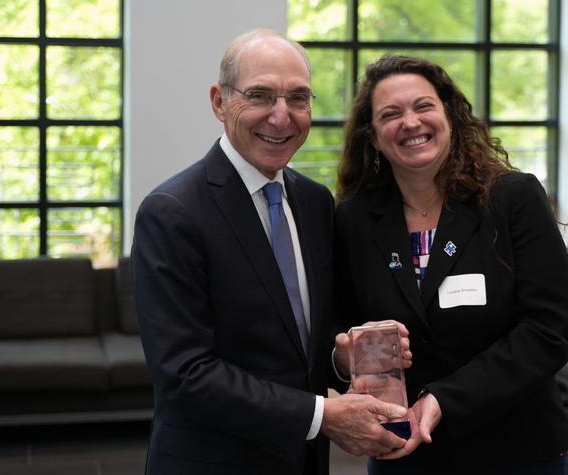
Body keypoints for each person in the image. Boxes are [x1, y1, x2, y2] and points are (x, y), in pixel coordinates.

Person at [131, 30, 409, 475]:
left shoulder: (315, 202)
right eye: (260, 96)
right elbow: (185, 375)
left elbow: (310, 329)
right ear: (219, 102)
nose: (282, 117)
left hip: (303, 462)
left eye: (298, 99)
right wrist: (322, 416)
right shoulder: (173, 212)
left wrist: (343, 354)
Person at [332, 55, 568, 475]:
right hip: (405, 451)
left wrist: (445, 398)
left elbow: (550, 329)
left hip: (515, 449)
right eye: (391, 114)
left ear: (448, 115)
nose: (410, 123)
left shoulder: (511, 199)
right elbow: (337, 325)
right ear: (373, 137)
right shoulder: (352, 221)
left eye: (423, 106)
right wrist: (343, 359)